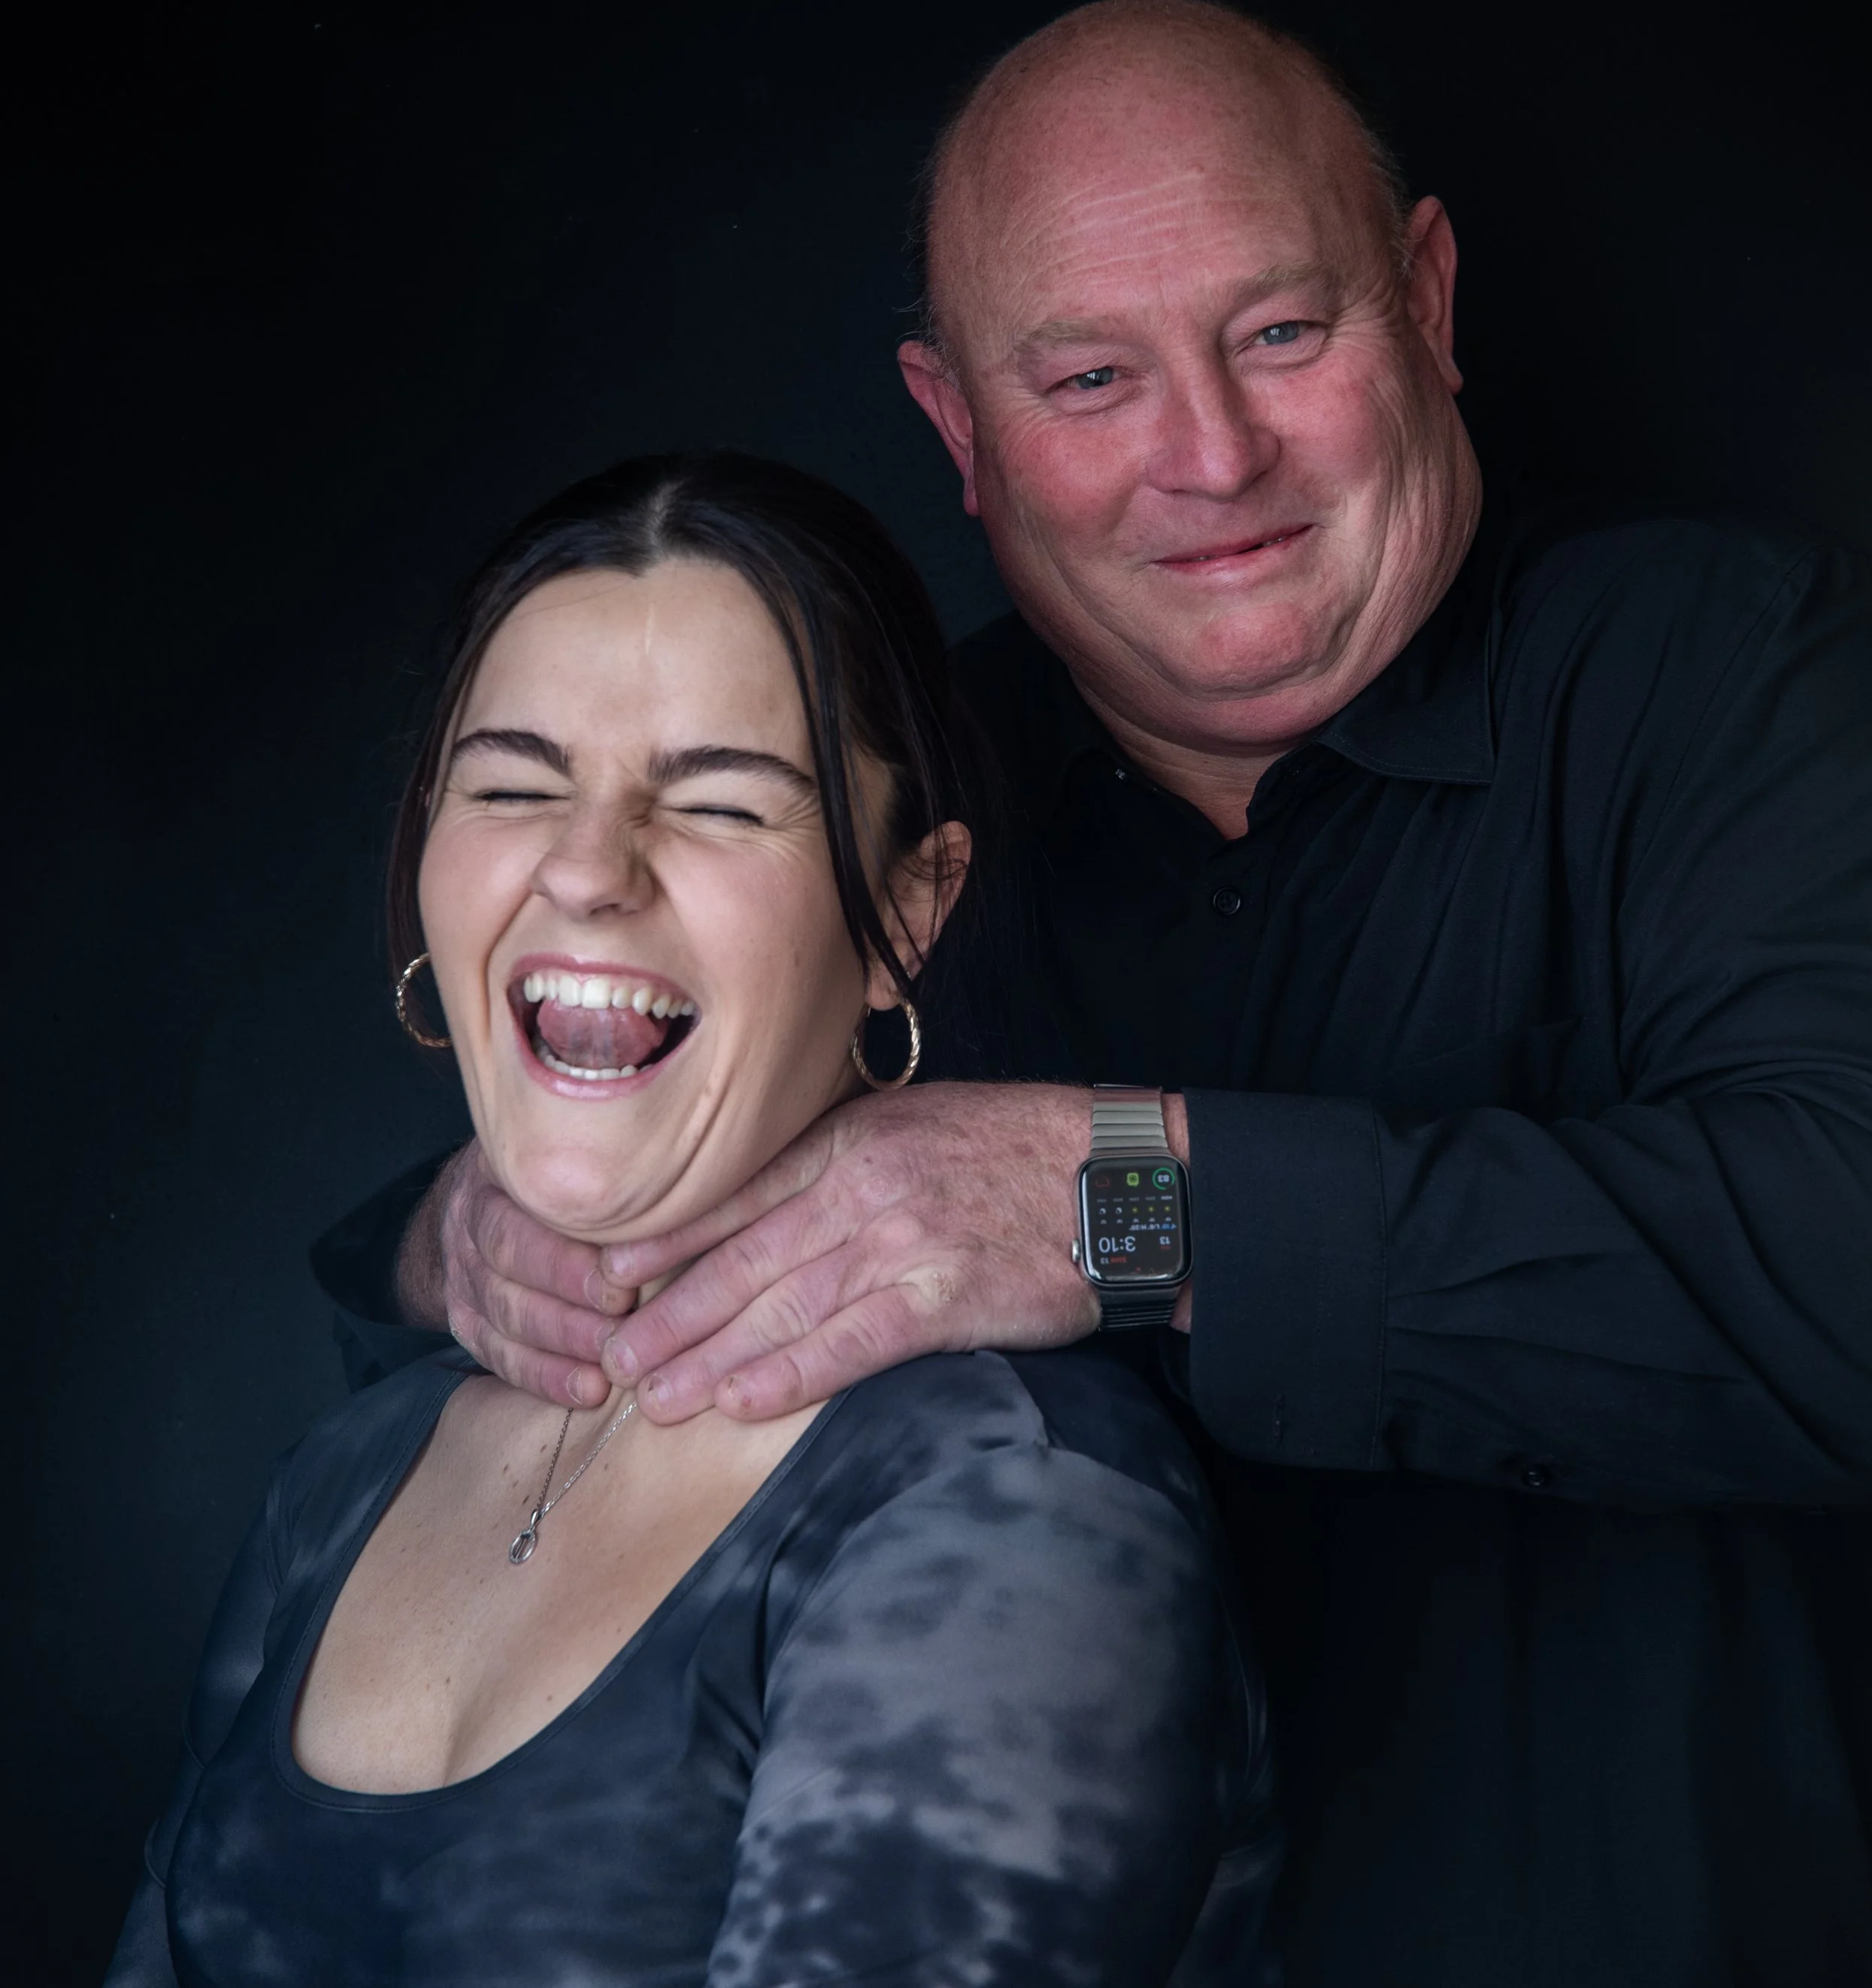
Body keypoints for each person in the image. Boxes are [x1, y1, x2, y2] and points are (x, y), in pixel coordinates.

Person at [317, 5, 1872, 1984]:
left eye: (1280, 333)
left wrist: (1119, 1202)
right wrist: (460, 1245)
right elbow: (579, 1198)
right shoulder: (861, 813)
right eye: (1086, 378)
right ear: (957, 428)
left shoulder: (1740, 669)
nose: (1208, 456)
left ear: (1423, 297)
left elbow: (1841, 1270)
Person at [108, 452, 1278, 1986]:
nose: (586, 871)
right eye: (512, 785)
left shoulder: (1010, 1499)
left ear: (906, 914)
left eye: (720, 802)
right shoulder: (347, 1474)